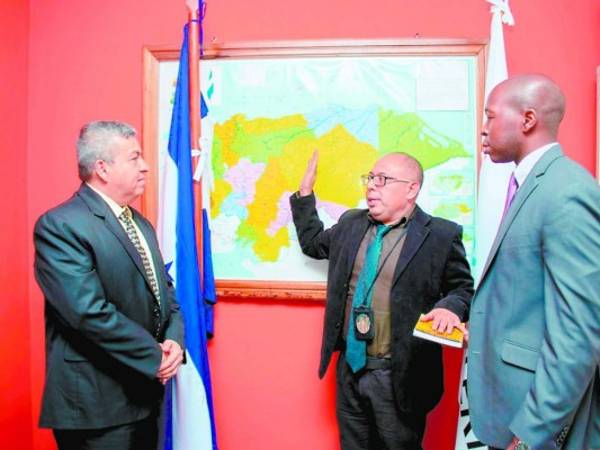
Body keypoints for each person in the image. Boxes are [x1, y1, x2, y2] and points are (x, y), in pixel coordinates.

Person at [290, 151, 474, 449]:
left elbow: (462, 289)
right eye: (370, 178)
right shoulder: (351, 223)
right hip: (350, 370)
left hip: (400, 375)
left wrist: (448, 309)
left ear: (411, 189)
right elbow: (313, 243)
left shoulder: (441, 235)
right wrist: (305, 194)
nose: (372, 186)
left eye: (383, 179)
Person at [467, 74, 600, 450]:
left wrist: (532, 433)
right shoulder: (532, 184)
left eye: (491, 116)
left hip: (537, 422)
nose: (484, 129)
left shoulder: (567, 191)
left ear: (527, 120)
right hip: (509, 405)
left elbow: (578, 330)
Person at [34, 121, 185, 449]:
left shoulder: (139, 223)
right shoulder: (61, 225)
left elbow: (165, 292)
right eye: (134, 157)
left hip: (145, 397)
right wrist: (154, 355)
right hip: (96, 407)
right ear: (102, 168)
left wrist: (174, 340)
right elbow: (86, 312)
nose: (145, 166)